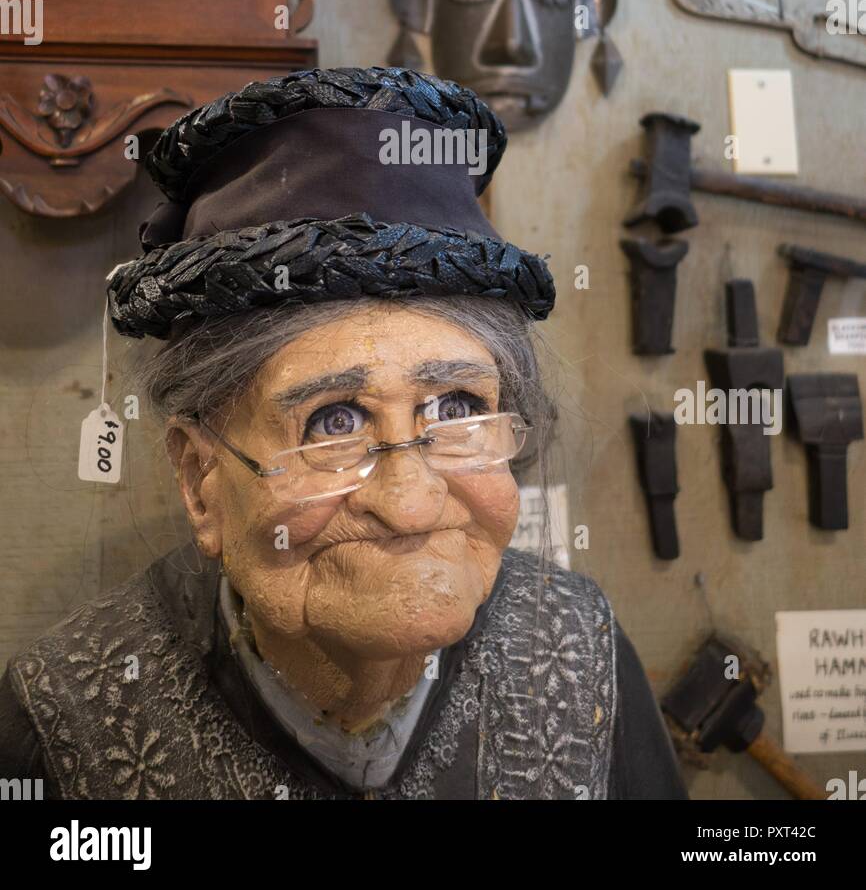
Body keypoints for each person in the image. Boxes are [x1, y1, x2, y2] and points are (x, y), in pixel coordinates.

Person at [0, 66, 686, 800]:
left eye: (456, 409)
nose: (412, 505)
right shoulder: (69, 723)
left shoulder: (582, 653)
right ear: (201, 481)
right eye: (335, 422)